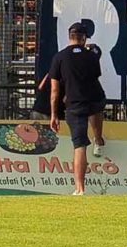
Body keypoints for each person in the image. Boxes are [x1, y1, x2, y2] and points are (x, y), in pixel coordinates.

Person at [40, 19, 110, 195]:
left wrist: (54, 114)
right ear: (84, 38)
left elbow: (54, 90)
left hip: (73, 104)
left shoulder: (59, 57)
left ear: (69, 37)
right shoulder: (92, 56)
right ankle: (98, 138)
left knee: (79, 146)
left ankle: (80, 188)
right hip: (92, 99)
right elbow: (94, 76)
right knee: (97, 107)